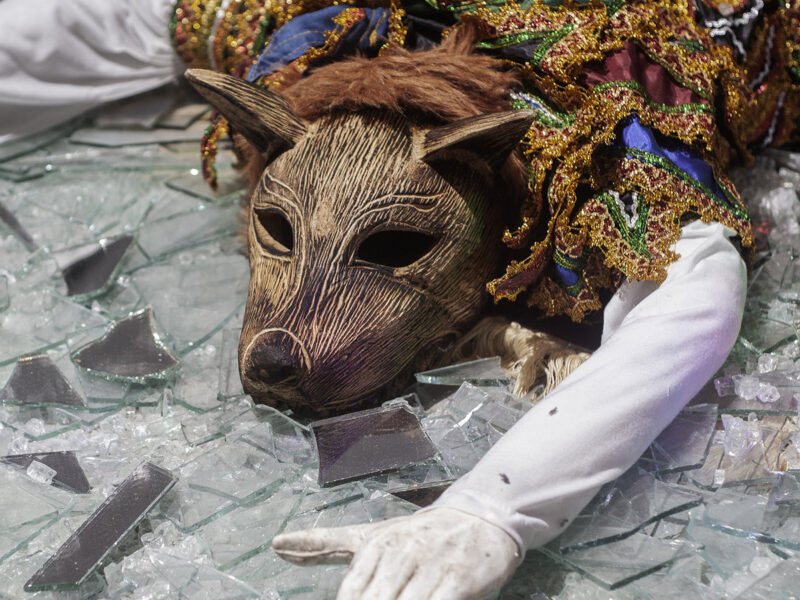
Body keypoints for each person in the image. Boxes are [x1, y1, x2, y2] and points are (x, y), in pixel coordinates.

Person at [1, 1, 797, 599]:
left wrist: (496, 507)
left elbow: (696, 294)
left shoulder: (600, 145)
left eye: (393, 245)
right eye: (277, 229)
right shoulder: (292, 27)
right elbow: (89, 27)